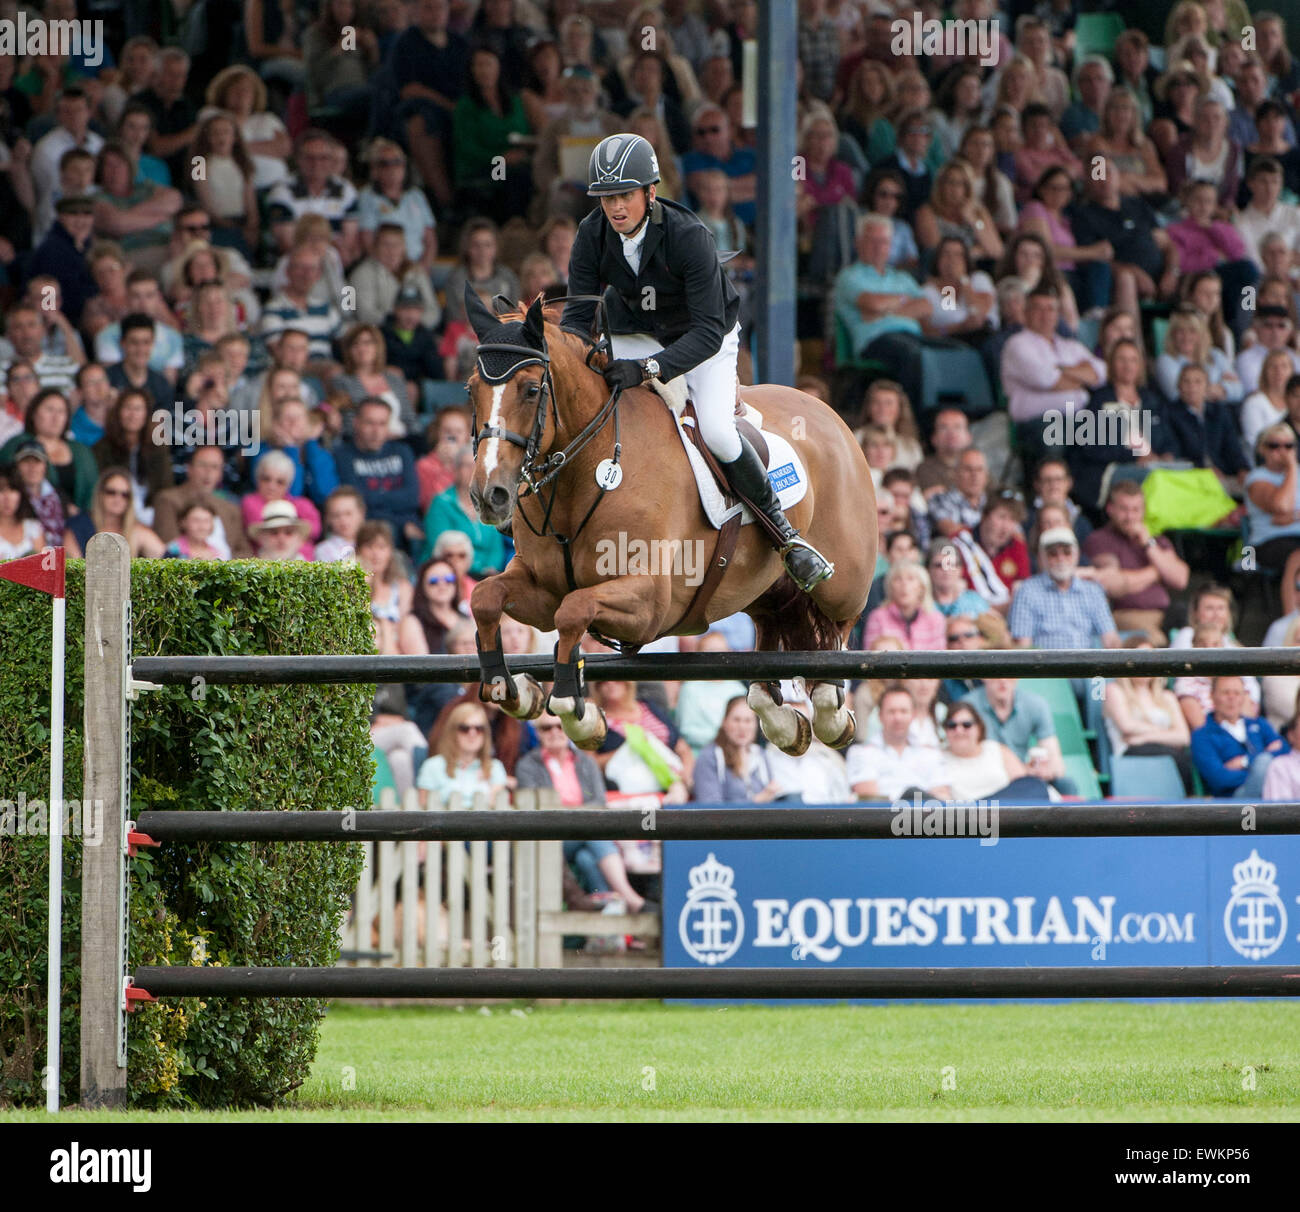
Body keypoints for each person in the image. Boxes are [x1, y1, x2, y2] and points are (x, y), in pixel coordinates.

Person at [563, 131, 831, 591]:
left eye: (624, 195)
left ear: (650, 192)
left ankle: (784, 536)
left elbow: (707, 331)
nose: (615, 208)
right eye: (606, 198)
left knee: (718, 432)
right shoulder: (591, 233)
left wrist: (650, 370)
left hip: (704, 338)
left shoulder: (689, 237)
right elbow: (576, 316)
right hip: (634, 332)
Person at [516, 709, 648, 911]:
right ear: (539, 733)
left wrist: (573, 814)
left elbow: (600, 802)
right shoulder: (527, 766)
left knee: (587, 859)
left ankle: (607, 925)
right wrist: (579, 815)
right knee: (593, 831)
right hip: (550, 837)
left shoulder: (586, 762)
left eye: (560, 726)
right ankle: (630, 899)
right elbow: (536, 809)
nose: (554, 732)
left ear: (568, 730)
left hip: (583, 832)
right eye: (546, 728)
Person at [1083, 480, 1190, 645]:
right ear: (1110, 509)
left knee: (1194, 632)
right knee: (1156, 640)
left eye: (1136, 510)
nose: (1130, 516)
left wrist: (1149, 545)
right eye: (1124, 509)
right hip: (1124, 614)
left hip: (1164, 613)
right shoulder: (1099, 539)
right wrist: (1156, 571)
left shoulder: (1156, 540)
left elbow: (1180, 579)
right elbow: (1114, 584)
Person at [1000, 288, 1105, 453]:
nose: (1045, 314)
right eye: (1038, 308)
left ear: (1058, 314)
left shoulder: (1070, 346)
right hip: (1037, 421)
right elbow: (1045, 379)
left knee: (1111, 432)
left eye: (1050, 309)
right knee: (1055, 437)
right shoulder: (1018, 344)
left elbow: (1101, 373)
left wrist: (1061, 369)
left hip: (1078, 418)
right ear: (1026, 313)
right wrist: (1081, 378)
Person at [1104, 636, 1195, 793]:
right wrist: (1166, 733)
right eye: (1140, 658)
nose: (1145, 664)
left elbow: (1183, 737)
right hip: (1129, 754)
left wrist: (1143, 737)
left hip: (1160, 750)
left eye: (1149, 658)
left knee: (1183, 757)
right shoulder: (1114, 691)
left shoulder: (1167, 697)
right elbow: (1127, 726)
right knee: (1178, 758)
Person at [333, 397, 422, 551]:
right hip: (371, 527)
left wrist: (374, 497)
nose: (376, 431)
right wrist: (400, 523)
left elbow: (411, 498)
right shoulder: (343, 455)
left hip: (408, 529)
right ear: (356, 423)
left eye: (382, 424)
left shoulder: (402, 451)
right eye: (370, 423)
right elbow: (357, 502)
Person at [1009, 526, 1120, 650]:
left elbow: (1110, 639)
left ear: (1076, 555)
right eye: (1053, 554)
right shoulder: (1027, 591)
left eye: (1067, 552)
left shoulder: (1093, 591)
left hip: (1085, 666)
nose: (1061, 559)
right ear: (1042, 558)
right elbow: (1023, 647)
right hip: (1044, 667)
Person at [846, 684, 952, 803]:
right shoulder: (860, 753)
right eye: (891, 712)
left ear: (913, 715)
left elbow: (942, 797)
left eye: (903, 711)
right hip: (882, 819)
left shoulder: (931, 753)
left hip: (926, 818)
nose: (898, 718)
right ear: (880, 716)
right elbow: (869, 799)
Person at [961, 676, 1069, 790]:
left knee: (1066, 785)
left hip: (1023, 778)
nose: (1002, 680)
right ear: (984, 677)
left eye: (1010, 673)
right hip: (986, 777)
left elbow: (1056, 764)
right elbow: (963, 759)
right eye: (995, 673)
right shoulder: (968, 707)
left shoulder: (1035, 705)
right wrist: (1022, 770)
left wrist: (1044, 770)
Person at [1191, 676, 1288, 799]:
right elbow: (1219, 779)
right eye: (1225, 693)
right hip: (1233, 801)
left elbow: (1285, 749)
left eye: (1237, 693)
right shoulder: (1202, 736)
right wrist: (1263, 767)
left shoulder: (1258, 724)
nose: (1231, 698)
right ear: (1212, 696)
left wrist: (1245, 762)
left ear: (1244, 697)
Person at [938, 701, 1054, 803]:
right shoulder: (939, 759)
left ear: (979, 728)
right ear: (945, 730)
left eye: (966, 725)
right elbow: (942, 800)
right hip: (970, 818)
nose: (959, 730)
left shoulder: (995, 749)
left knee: (1034, 785)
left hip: (1007, 811)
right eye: (952, 725)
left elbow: (1023, 783)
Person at [150, 444, 250, 557]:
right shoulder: (167, 500)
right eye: (203, 465)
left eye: (215, 467)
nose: (208, 472)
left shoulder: (231, 508)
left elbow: (244, 551)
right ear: (189, 468)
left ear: (221, 474)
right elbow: (168, 544)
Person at [420, 446, 506, 577]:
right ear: (455, 470)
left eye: (477, 466)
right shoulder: (441, 503)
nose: (472, 470)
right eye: (466, 465)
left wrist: (490, 568)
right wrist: (479, 569)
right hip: (447, 574)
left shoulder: (490, 505)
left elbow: (496, 548)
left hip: (487, 575)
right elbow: (442, 548)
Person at [1245, 422, 1300, 615]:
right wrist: (1292, 467)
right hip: (1264, 544)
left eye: (1288, 446)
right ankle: (1291, 621)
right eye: (1274, 445)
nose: (1282, 451)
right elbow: (1281, 505)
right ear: (1262, 449)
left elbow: (1285, 512)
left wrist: (1290, 517)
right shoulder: (1256, 477)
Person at [417, 700, 510, 807]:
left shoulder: (495, 767)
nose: (472, 733)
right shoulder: (432, 766)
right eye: (465, 728)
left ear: (486, 733)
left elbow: (496, 808)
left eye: (479, 728)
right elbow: (423, 810)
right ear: (452, 732)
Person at [692, 695, 782, 803]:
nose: (742, 727)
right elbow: (710, 806)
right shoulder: (709, 757)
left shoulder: (761, 755)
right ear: (724, 722)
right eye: (736, 720)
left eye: (748, 721)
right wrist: (757, 801)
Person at [63, 466, 166, 558]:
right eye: (111, 492)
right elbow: (74, 570)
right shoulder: (78, 525)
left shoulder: (136, 530)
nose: (118, 499)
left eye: (125, 495)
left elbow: (167, 560)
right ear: (100, 494)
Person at [863, 562, 946, 651]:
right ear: (890, 587)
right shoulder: (877, 618)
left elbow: (939, 658)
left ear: (922, 588)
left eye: (910, 579)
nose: (904, 584)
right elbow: (871, 658)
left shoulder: (935, 620)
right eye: (898, 579)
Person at [0, 464, 46, 558]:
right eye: (1, 490)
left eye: (13, 490)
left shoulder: (33, 527)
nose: (7, 497)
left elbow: (42, 568)